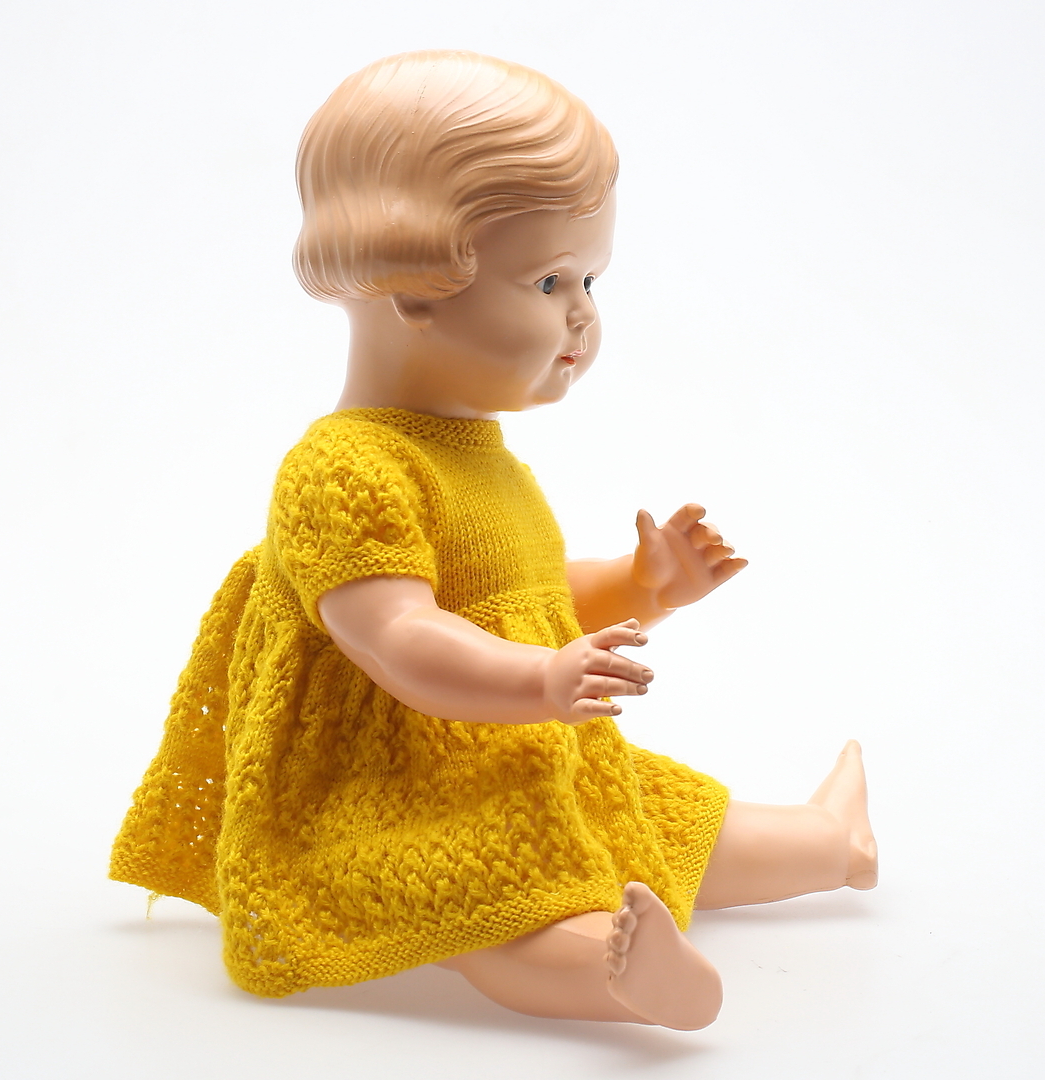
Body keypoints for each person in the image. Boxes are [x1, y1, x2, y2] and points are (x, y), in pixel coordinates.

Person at [111, 50, 877, 1031]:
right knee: (479, 891)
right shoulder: (343, 469)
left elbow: (524, 598)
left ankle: (832, 841)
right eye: (549, 279)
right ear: (414, 288)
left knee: (670, 813)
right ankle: (613, 973)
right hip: (394, 795)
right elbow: (401, 638)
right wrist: (542, 682)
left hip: (510, 756)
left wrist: (640, 587)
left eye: (591, 277)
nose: (583, 313)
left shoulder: (483, 458)